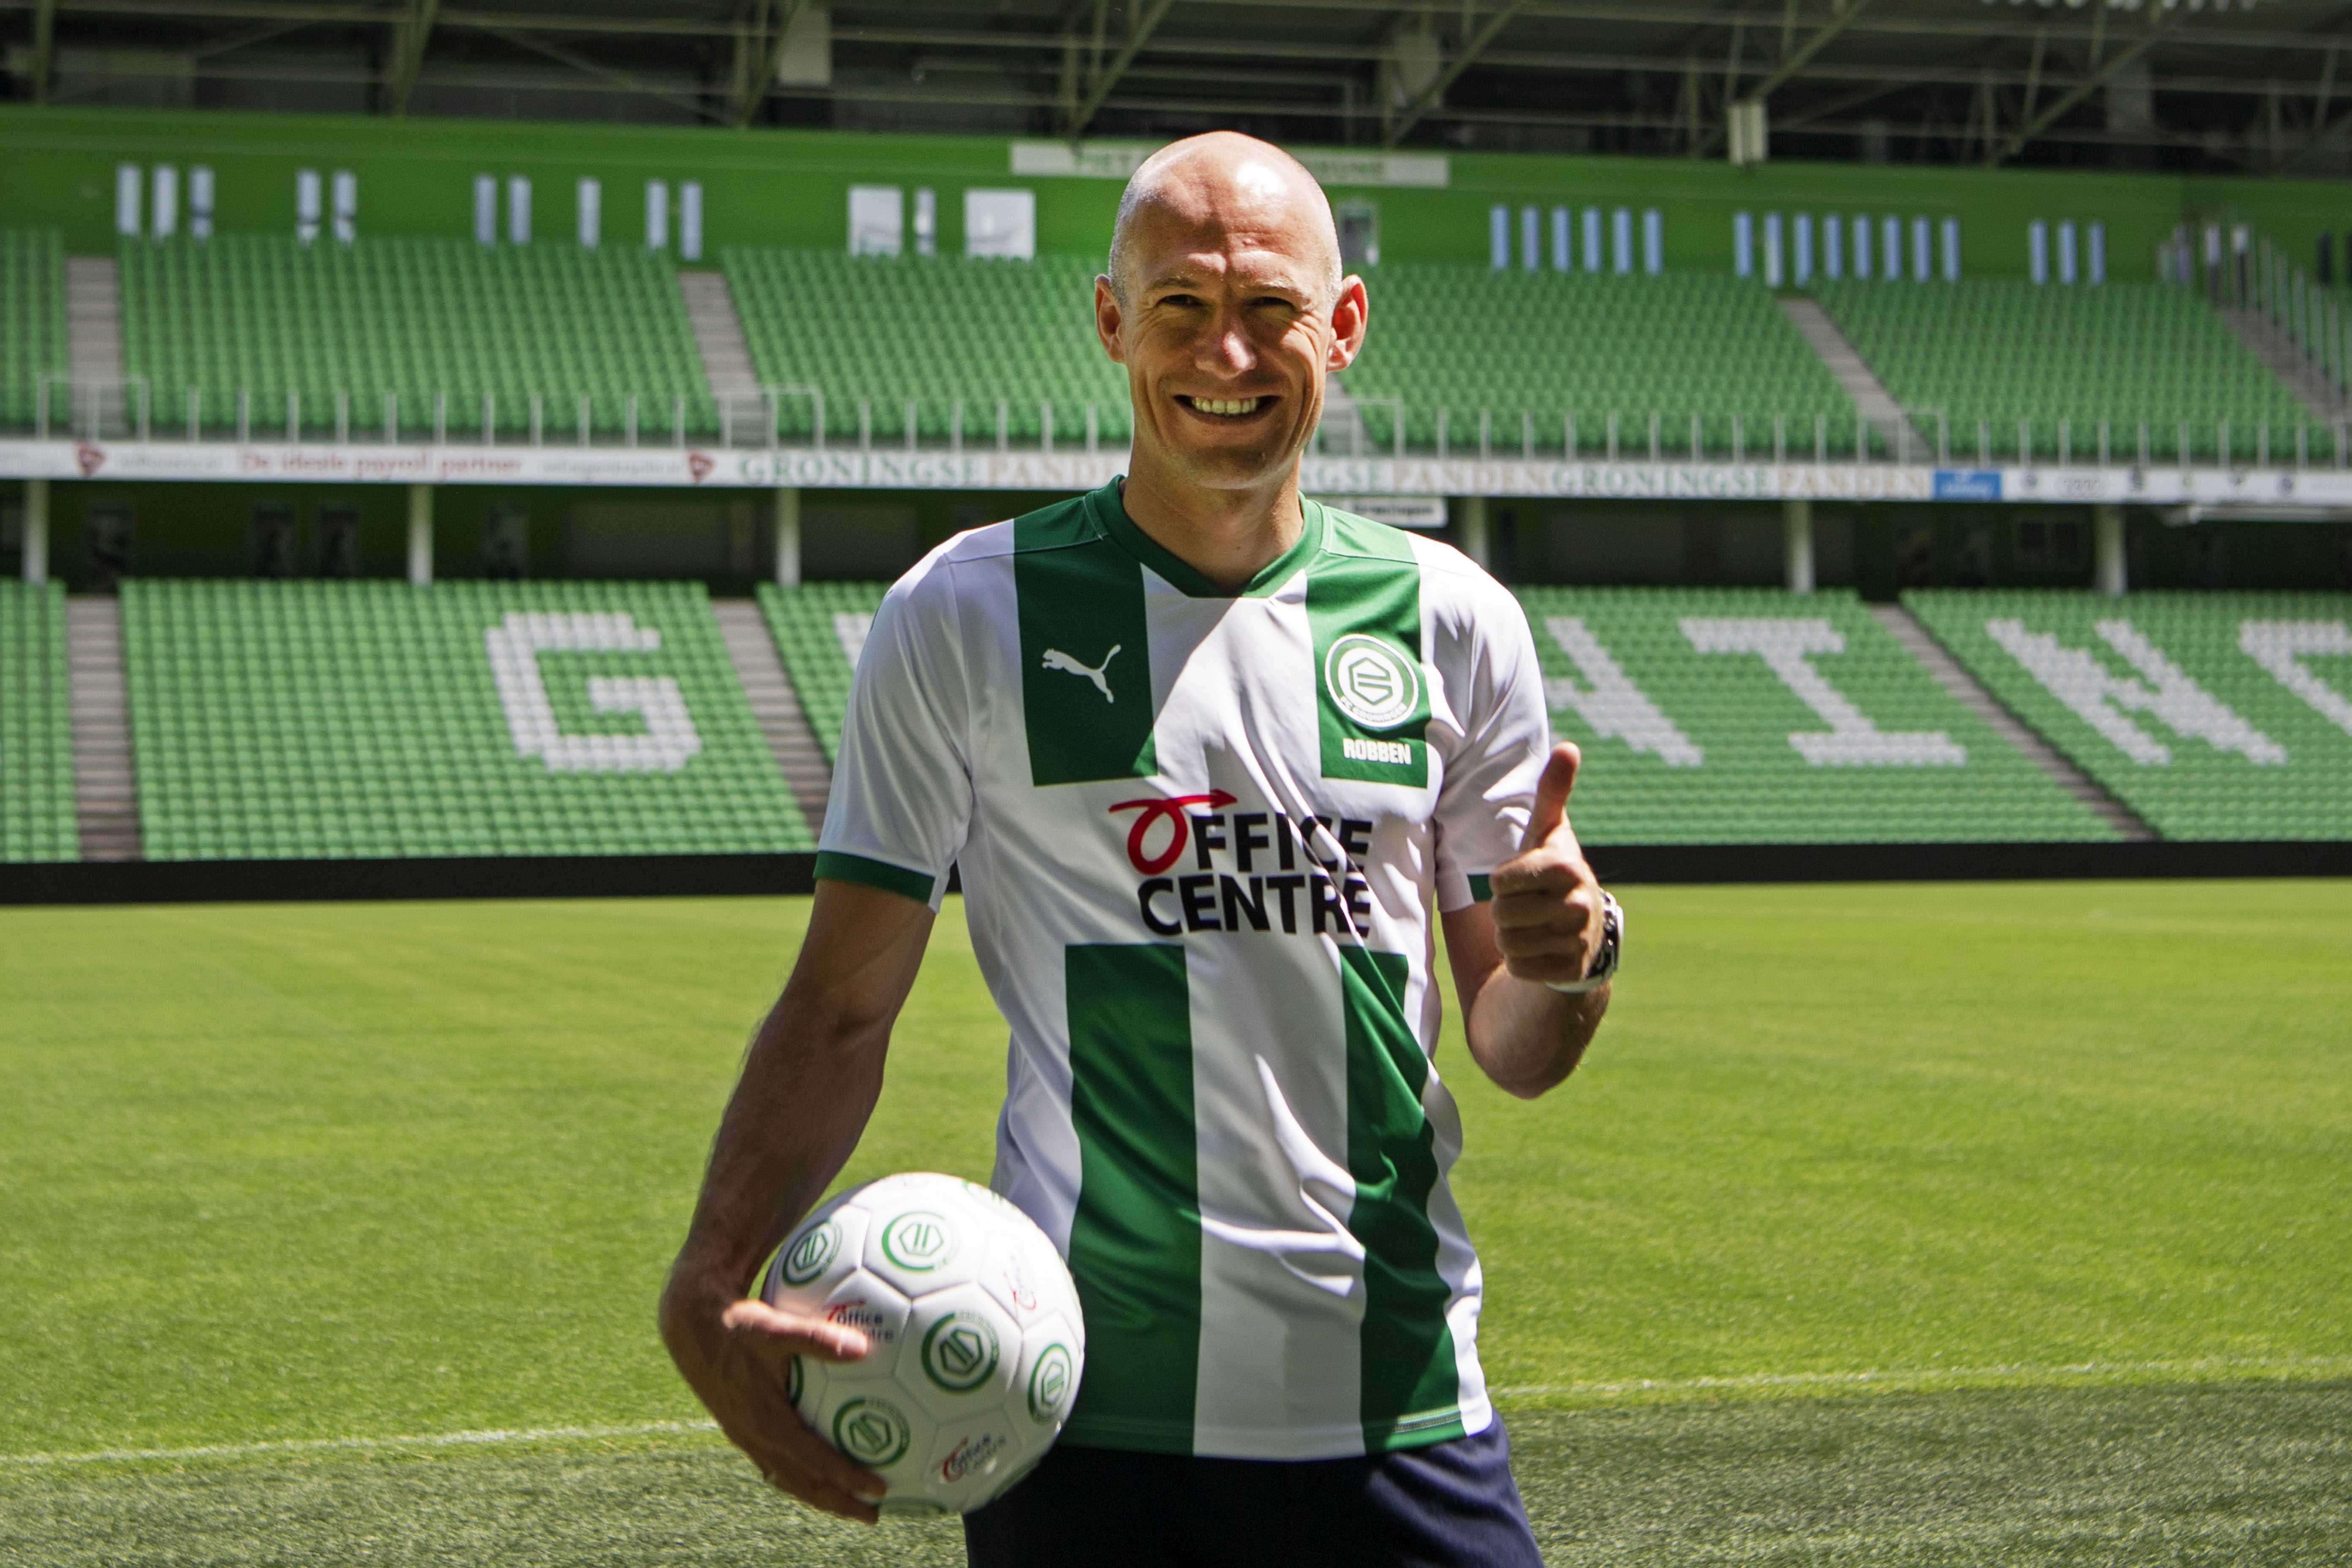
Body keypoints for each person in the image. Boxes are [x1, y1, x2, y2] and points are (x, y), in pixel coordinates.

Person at [659, 131, 1620, 1567]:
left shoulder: (1453, 618)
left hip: (1401, 1405)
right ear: (1112, 321)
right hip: (1080, 1436)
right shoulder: (966, 616)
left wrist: (1578, 957)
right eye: (1180, 305)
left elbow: (1517, 1044)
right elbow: (843, 1005)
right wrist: (712, 1269)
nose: (1226, 352)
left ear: (1343, 326)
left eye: (1271, 307)